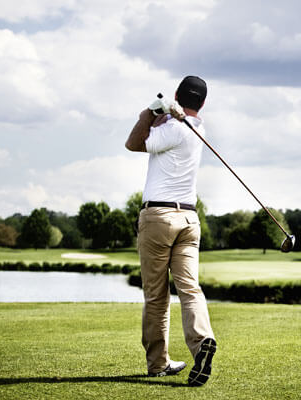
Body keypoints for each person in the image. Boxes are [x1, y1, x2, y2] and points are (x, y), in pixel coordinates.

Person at [125, 76, 216, 387]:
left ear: (177, 95)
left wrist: (150, 111)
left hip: (158, 216)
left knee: (156, 295)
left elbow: (134, 143)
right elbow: (172, 124)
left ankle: (158, 363)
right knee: (190, 289)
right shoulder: (197, 129)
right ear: (202, 103)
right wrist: (168, 113)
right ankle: (203, 340)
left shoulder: (174, 128)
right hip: (189, 220)